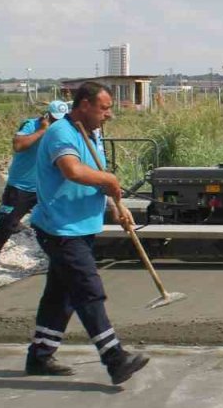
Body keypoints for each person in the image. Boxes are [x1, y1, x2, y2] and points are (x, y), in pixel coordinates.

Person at [24, 82, 149, 385]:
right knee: (87, 289)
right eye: (104, 108)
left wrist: (116, 205)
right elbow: (73, 171)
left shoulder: (92, 133)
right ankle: (114, 358)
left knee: (61, 294)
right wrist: (109, 178)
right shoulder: (60, 133)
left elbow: (95, 176)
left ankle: (40, 356)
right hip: (60, 228)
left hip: (81, 225)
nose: (109, 115)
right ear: (83, 105)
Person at [0, 100, 70, 293]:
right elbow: (18, 145)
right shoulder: (31, 125)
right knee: (7, 226)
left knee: (56, 225)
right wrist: (43, 131)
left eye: (60, 120)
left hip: (46, 187)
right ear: (46, 116)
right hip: (21, 187)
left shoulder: (64, 129)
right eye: (53, 119)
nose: (56, 123)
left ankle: (59, 266)